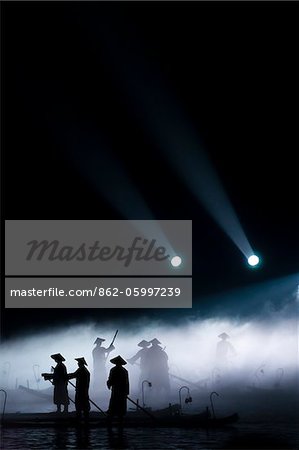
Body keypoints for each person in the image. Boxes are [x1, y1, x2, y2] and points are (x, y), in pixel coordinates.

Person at [107, 355, 129, 426]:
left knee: (113, 405)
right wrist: (126, 392)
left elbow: (111, 380)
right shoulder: (124, 371)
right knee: (121, 406)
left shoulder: (113, 370)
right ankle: (120, 422)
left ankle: (110, 421)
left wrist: (109, 383)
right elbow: (127, 382)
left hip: (116, 391)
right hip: (122, 391)